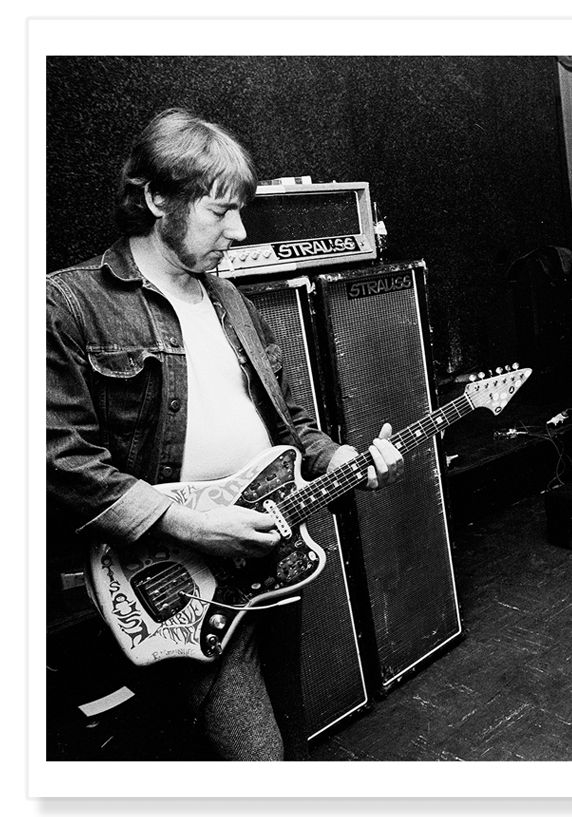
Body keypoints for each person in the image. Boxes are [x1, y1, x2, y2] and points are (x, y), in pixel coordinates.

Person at [46, 108, 404, 761]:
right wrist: (191, 526)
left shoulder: (230, 300)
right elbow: (58, 457)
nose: (237, 232)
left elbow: (290, 424)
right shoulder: (67, 305)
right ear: (157, 198)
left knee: (290, 739)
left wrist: (341, 457)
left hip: (266, 554)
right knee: (254, 759)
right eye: (219, 212)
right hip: (172, 575)